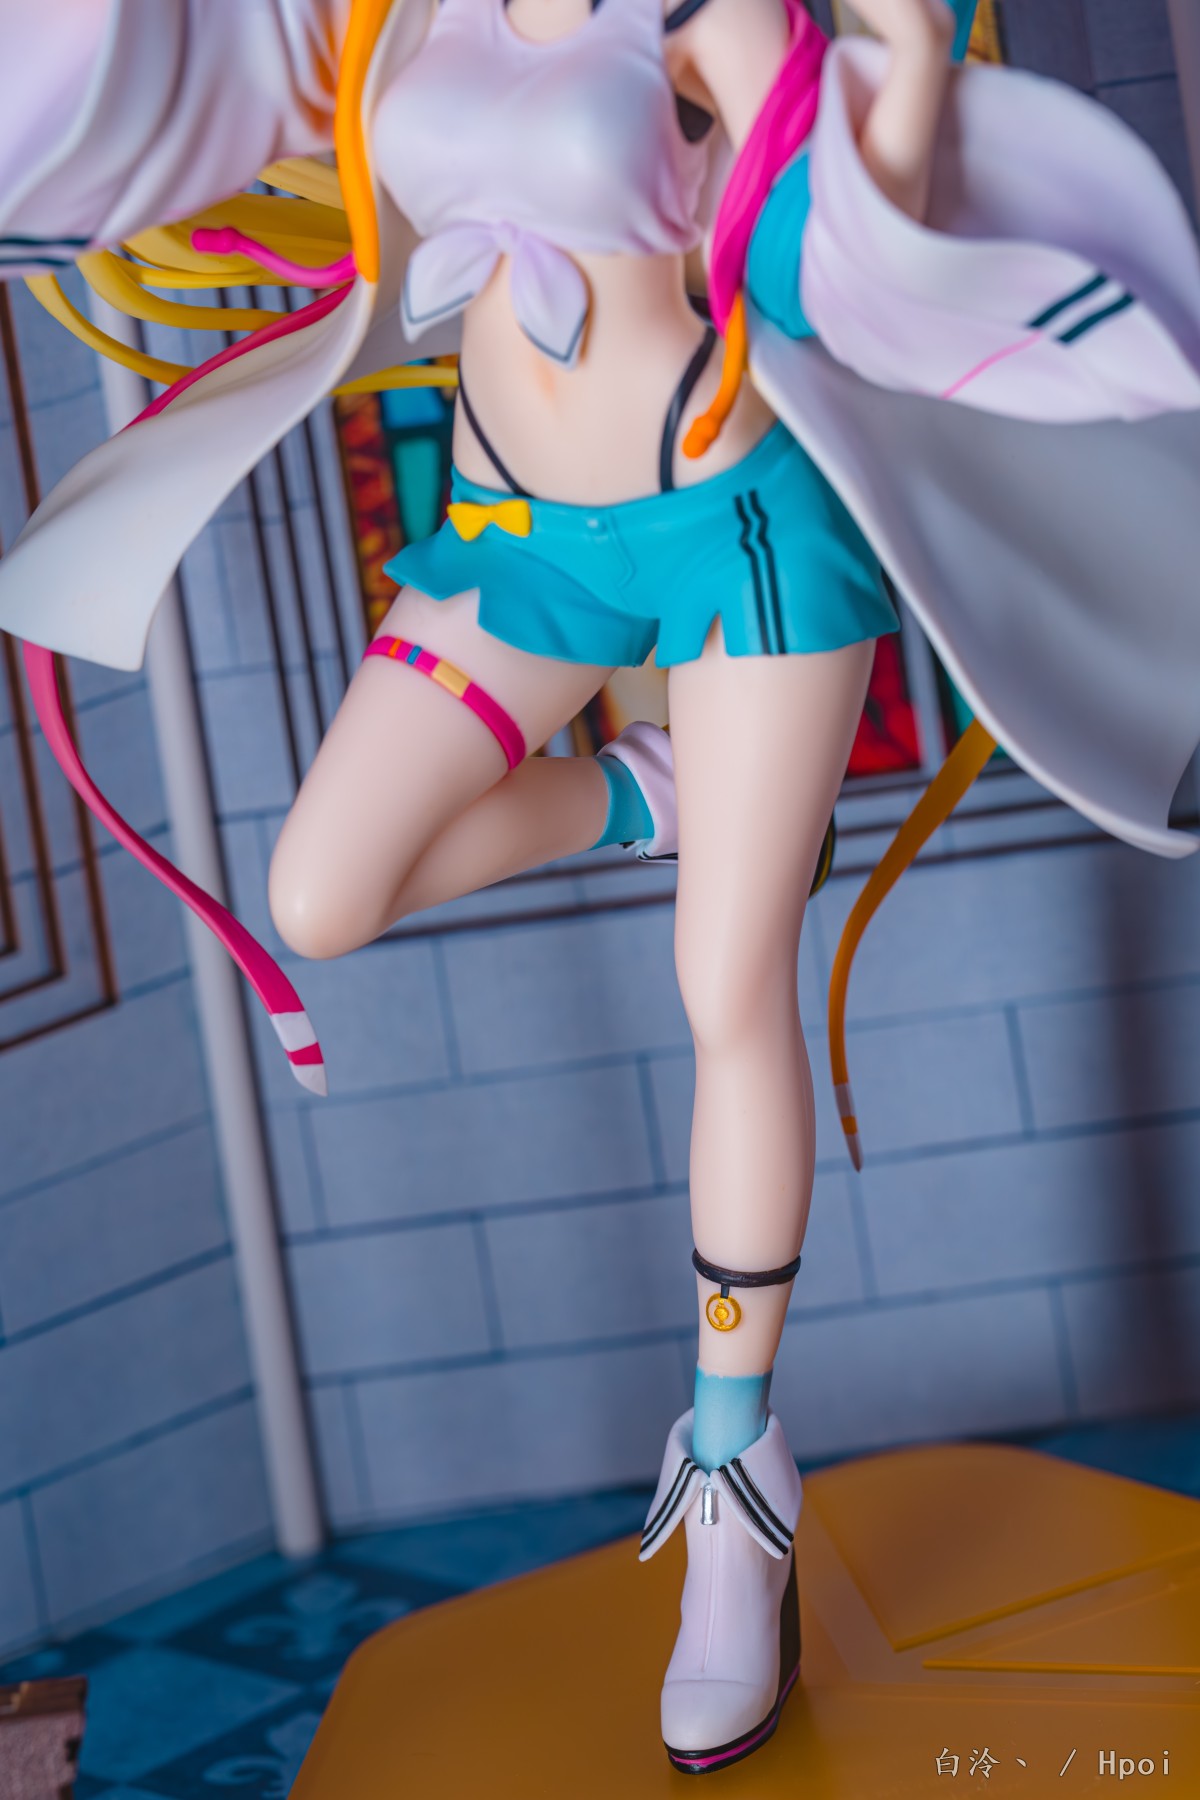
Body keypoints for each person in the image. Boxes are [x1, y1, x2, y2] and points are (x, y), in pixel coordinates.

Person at [2, 0, 1199, 1774]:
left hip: (734, 529)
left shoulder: (713, 15)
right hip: (515, 534)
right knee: (324, 889)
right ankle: (648, 799)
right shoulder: (392, 11)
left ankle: (733, 1483)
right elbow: (182, 101)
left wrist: (906, 64)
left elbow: (850, 230)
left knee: (727, 986)